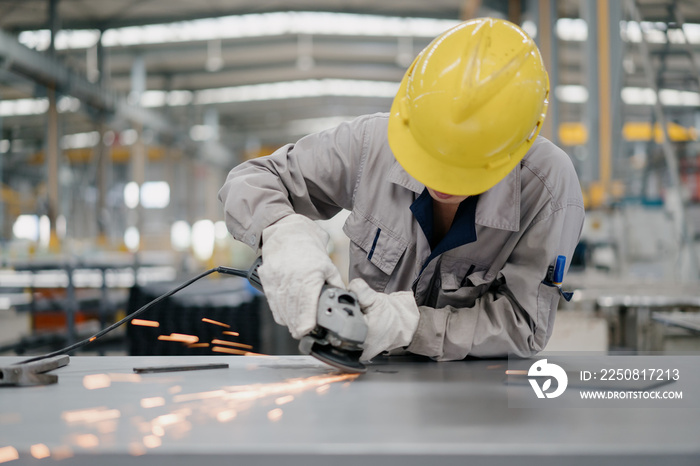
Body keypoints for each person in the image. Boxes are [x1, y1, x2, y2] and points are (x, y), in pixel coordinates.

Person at [218, 17, 585, 363]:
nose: (440, 181)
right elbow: (250, 179)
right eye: (430, 156)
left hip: (475, 401)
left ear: (514, 149)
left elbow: (525, 326)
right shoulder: (370, 145)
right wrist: (283, 233)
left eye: (462, 169)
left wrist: (410, 326)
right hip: (366, 381)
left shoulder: (548, 191)